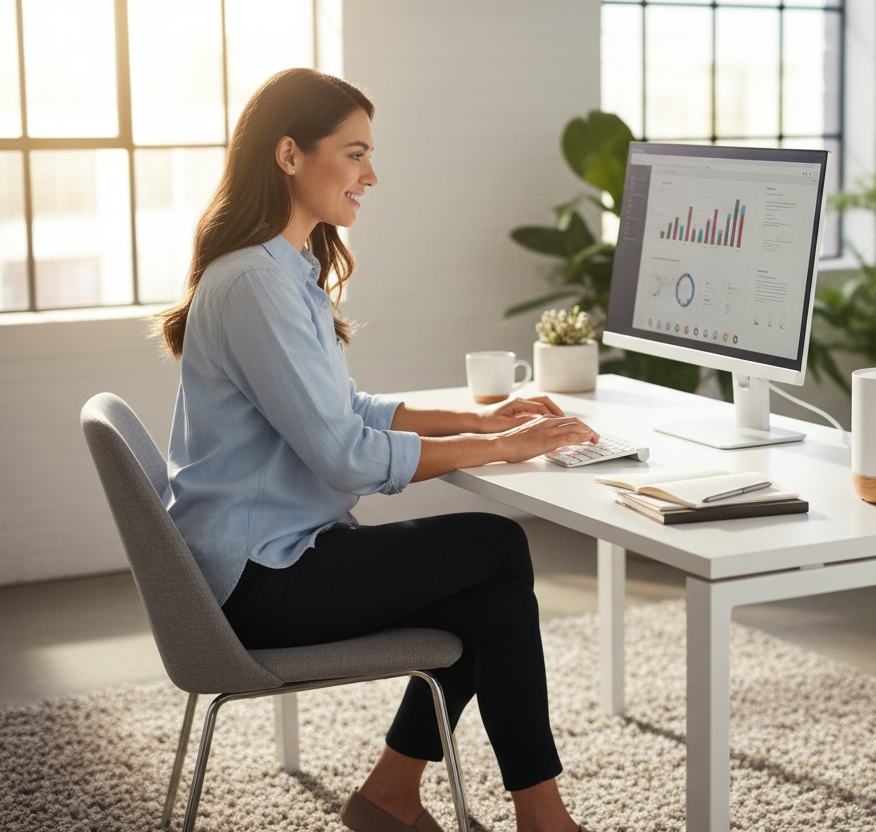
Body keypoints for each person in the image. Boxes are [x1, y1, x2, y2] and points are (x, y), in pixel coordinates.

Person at [153, 67, 599, 832]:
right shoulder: (256, 284)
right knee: (497, 545)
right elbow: (344, 454)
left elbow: (342, 409)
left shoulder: (280, 270)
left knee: (492, 599)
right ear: (290, 155)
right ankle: (535, 820)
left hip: (270, 561)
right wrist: (502, 449)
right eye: (354, 154)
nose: (372, 175)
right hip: (259, 584)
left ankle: (404, 798)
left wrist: (480, 424)